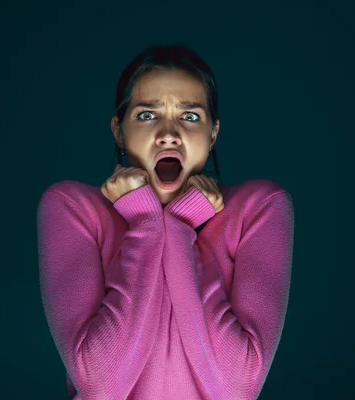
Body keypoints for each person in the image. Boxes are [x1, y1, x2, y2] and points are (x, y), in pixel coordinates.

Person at [36, 43, 295, 399]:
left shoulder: (259, 208)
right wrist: (146, 224)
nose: (169, 133)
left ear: (213, 133)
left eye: (190, 116)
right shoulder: (72, 208)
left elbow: (237, 388)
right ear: (118, 130)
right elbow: (102, 385)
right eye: (147, 115)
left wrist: (178, 226)